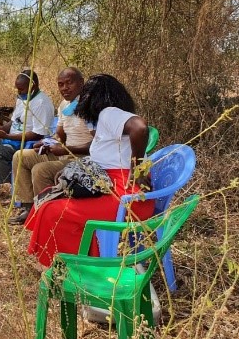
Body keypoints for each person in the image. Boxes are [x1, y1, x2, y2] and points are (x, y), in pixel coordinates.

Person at [25, 73, 155, 269]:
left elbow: (140, 128)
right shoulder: (106, 119)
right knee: (48, 197)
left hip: (125, 196)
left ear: (95, 96)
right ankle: (80, 260)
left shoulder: (109, 112)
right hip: (113, 188)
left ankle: (71, 266)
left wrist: (137, 170)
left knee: (54, 211)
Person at [9, 67, 92, 224]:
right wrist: (47, 143)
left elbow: (97, 144)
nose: (64, 88)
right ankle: (29, 208)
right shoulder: (63, 105)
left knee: (41, 170)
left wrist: (65, 149)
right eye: (61, 84)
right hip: (65, 153)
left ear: (81, 83)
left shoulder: (90, 105)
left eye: (69, 83)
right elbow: (60, 136)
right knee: (21, 156)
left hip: (83, 159)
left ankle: (48, 217)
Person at [0, 70, 55, 197]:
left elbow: (37, 134)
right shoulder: (22, 98)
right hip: (11, 139)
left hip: (26, 144)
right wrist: (1, 129)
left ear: (32, 86)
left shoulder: (41, 103)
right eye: (17, 89)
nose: (19, 92)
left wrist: (7, 136)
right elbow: (14, 122)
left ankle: (14, 185)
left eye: (21, 89)